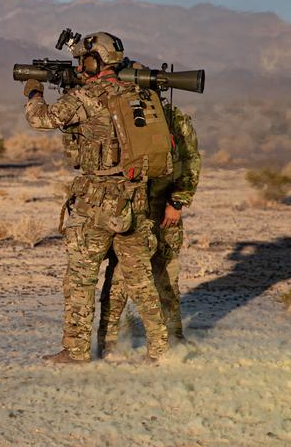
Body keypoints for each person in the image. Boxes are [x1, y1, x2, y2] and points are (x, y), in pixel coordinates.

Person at [23, 31, 169, 363]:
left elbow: (41, 118)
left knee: (81, 278)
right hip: (135, 199)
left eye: (81, 60)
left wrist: (33, 90)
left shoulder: (87, 97)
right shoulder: (139, 94)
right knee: (141, 279)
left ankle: (75, 352)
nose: (78, 65)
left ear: (93, 61)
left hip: (97, 202)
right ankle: (160, 349)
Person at [98, 102, 200, 354]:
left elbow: (190, 161)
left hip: (164, 211)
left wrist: (177, 202)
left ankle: (174, 338)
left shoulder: (173, 118)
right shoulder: (117, 112)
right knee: (119, 280)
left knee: (165, 278)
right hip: (129, 214)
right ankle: (108, 343)